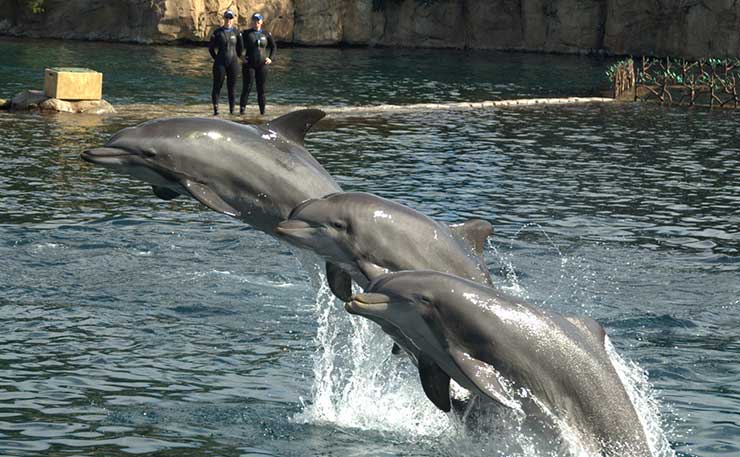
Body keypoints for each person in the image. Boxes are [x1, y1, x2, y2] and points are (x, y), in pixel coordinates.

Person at [240, 13, 276, 115]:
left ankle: (262, 113)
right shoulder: (246, 33)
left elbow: (274, 47)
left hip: (262, 65)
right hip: (249, 64)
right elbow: (238, 45)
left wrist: (271, 58)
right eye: (254, 20)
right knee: (247, 88)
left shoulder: (266, 34)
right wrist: (241, 56)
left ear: (261, 21)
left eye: (258, 20)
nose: (256, 22)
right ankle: (242, 112)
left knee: (261, 90)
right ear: (252, 21)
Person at [208, 9, 243, 115]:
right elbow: (211, 49)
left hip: (233, 63)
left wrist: (237, 57)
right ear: (223, 18)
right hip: (220, 63)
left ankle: (232, 111)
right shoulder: (217, 32)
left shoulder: (236, 32)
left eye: (230, 18)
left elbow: (240, 48)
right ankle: (216, 111)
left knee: (232, 88)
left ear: (233, 19)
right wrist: (217, 59)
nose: (228, 20)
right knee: (217, 86)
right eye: (227, 17)